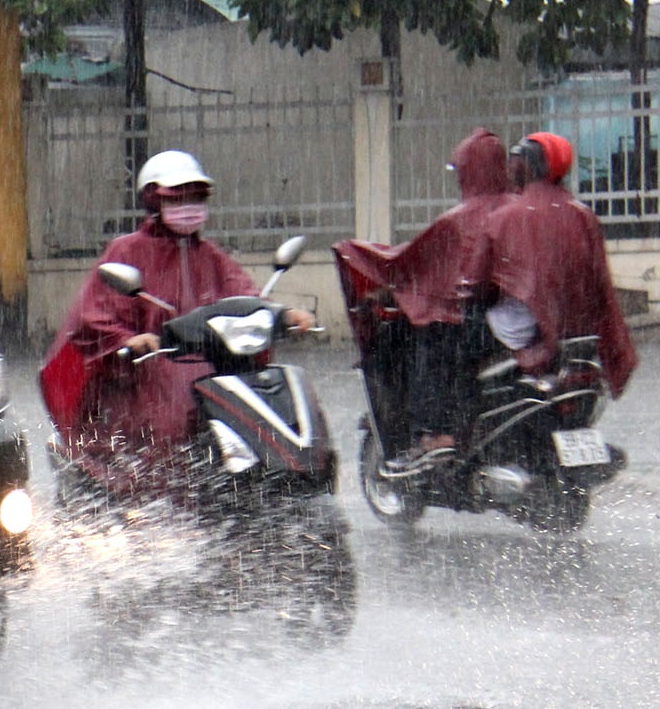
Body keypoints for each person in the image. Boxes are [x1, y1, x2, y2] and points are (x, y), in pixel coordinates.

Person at [40, 149, 316, 490]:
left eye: (195, 198)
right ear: (155, 201)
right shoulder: (127, 251)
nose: (189, 207)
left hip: (211, 367)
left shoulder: (209, 255)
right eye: (178, 198)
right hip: (147, 370)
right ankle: (154, 503)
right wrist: (129, 339)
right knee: (167, 420)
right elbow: (96, 312)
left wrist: (282, 315)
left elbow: (244, 297)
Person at [386, 131, 639, 474]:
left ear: (527, 166)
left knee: (436, 340)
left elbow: (474, 284)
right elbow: (598, 280)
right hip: (573, 331)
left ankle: (440, 434)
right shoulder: (583, 215)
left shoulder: (507, 217)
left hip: (520, 331)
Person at [334, 128, 513, 475]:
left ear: (467, 171)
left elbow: (414, 264)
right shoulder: (519, 210)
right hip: (519, 324)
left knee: (428, 341)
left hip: (482, 323)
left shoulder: (459, 220)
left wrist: (364, 262)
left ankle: (436, 434)